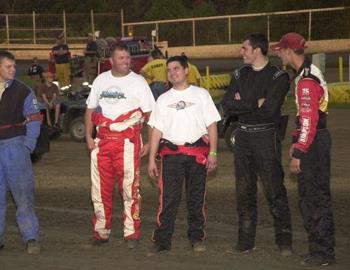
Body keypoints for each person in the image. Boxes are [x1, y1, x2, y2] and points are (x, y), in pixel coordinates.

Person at [221, 33, 292, 256]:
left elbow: (270, 109)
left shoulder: (278, 76)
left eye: (244, 48)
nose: (241, 52)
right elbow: (228, 106)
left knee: (274, 189)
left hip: (266, 137)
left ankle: (284, 242)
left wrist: (244, 102)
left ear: (257, 50)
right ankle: (245, 242)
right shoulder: (239, 73)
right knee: (244, 190)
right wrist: (255, 103)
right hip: (242, 137)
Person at [271, 32, 335, 266]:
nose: (277, 53)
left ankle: (323, 251)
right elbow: (308, 118)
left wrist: (299, 151)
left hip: (315, 143)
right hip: (316, 139)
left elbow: (309, 119)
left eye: (280, 50)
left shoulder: (305, 81)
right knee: (313, 197)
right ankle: (320, 249)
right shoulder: (307, 74)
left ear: (289, 51)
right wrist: (297, 139)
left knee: (313, 198)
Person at [147, 55, 221, 255]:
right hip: (172, 156)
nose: (172, 73)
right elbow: (156, 130)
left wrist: (213, 152)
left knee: (196, 198)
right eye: (169, 70)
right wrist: (152, 158)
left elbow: (212, 124)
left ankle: (196, 238)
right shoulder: (163, 99)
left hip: (197, 155)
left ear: (187, 70)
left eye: (176, 68)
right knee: (168, 199)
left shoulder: (201, 95)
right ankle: (162, 240)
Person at [85, 43, 155, 249]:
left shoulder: (139, 82)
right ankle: (101, 232)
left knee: (129, 190)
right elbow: (90, 110)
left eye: (128, 58)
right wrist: (88, 137)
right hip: (102, 143)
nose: (127, 62)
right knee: (99, 191)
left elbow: (151, 114)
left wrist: (150, 142)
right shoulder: (101, 80)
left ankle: (131, 233)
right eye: (122, 58)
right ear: (111, 60)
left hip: (127, 143)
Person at [0, 50, 41, 254]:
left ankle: (31, 237)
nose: (13, 69)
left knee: (23, 196)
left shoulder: (23, 91)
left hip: (15, 147)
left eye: (14, 66)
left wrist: (28, 146)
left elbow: (34, 118)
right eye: (8, 66)